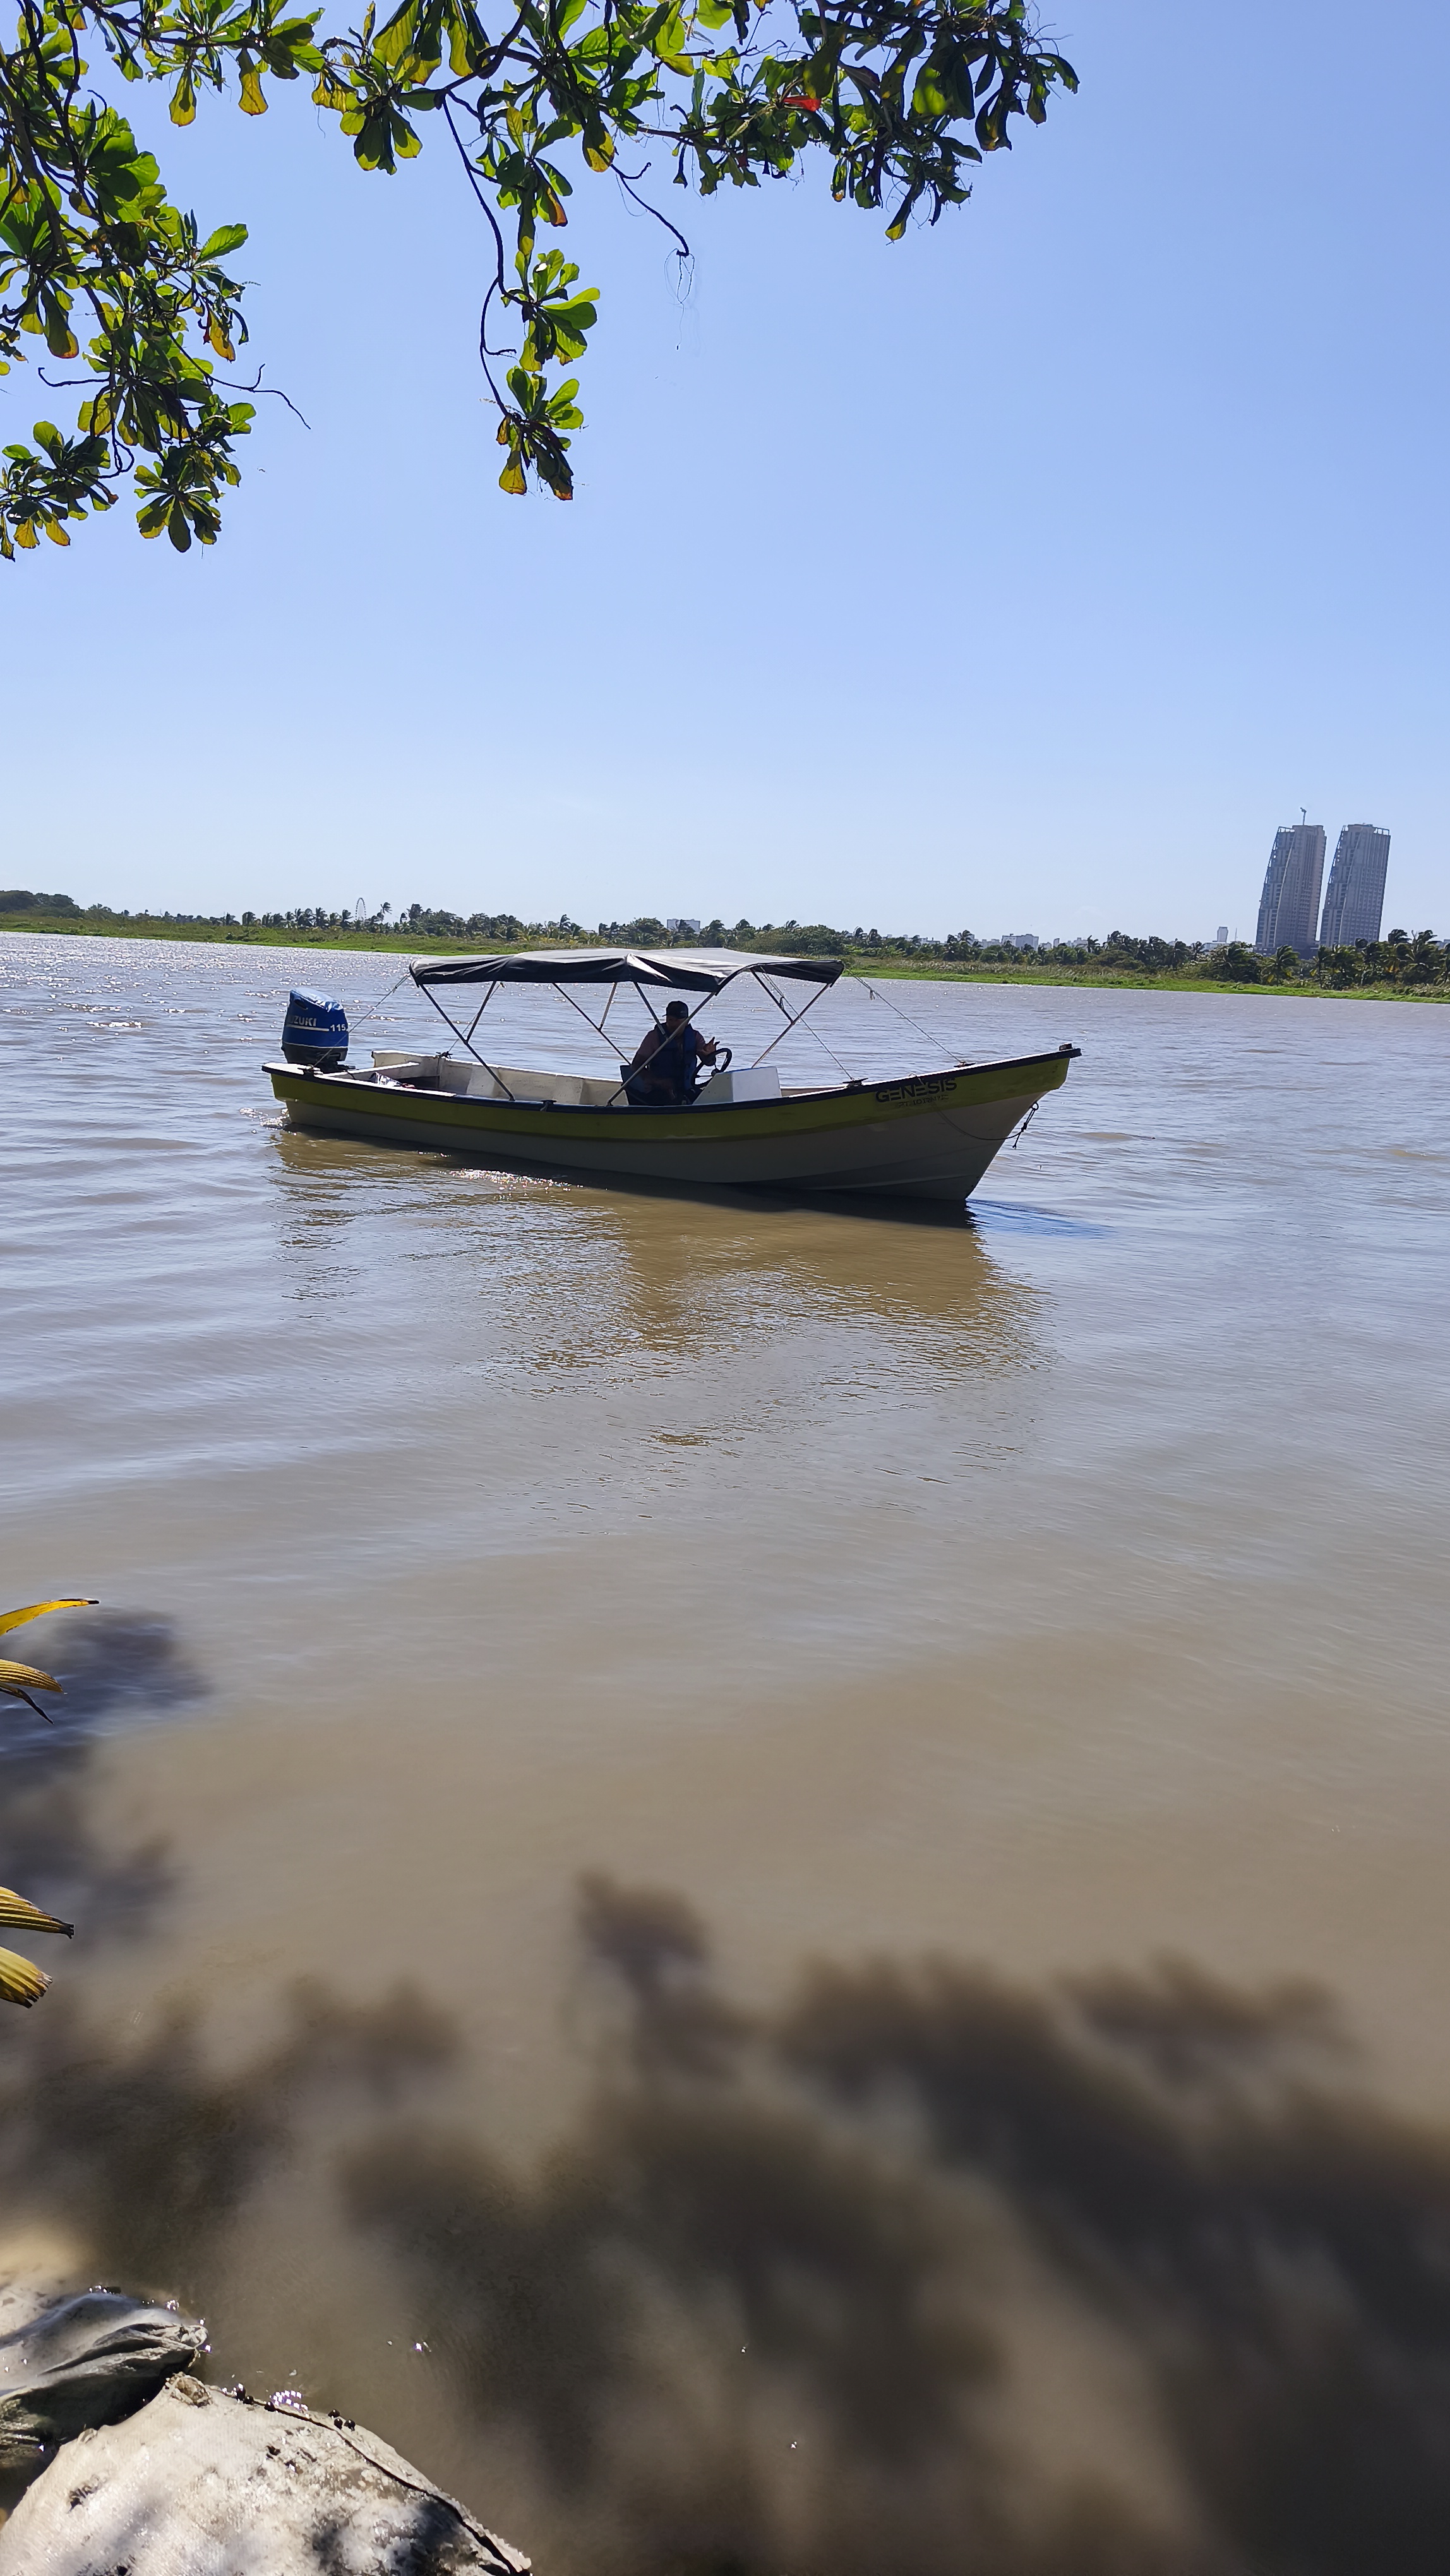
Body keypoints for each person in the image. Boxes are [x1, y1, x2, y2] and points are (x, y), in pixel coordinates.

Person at [624, 999, 717, 1104]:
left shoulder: (695, 1037)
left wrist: (709, 1054)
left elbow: (709, 1062)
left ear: (687, 1021)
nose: (673, 1024)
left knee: (710, 1100)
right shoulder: (654, 1037)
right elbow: (636, 1066)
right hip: (658, 1090)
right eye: (670, 1020)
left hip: (687, 1088)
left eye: (678, 1021)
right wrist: (657, 1081)